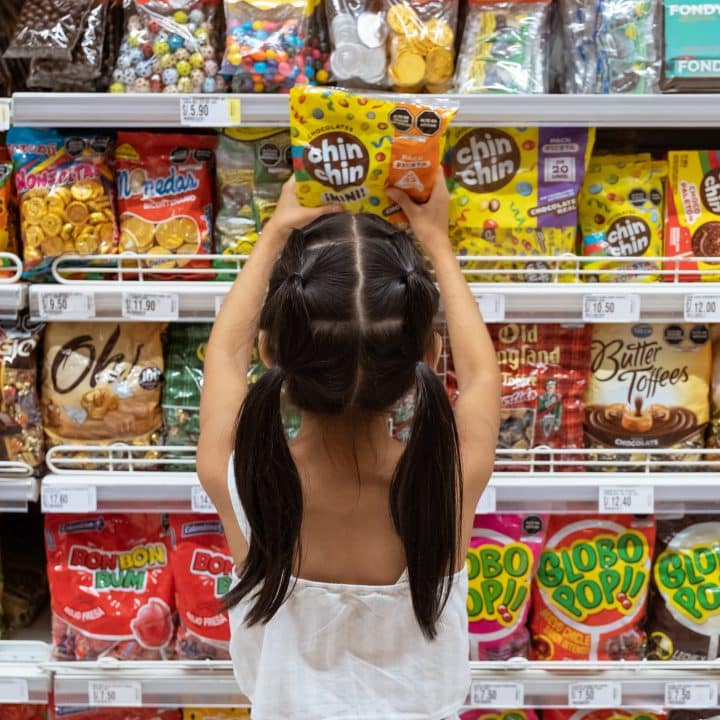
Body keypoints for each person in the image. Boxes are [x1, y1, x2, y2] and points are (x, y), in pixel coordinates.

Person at [198, 170, 501, 720]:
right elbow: (482, 379)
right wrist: (437, 239)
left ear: (271, 351)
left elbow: (221, 357)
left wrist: (273, 234)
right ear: (430, 357)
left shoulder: (238, 479)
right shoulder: (449, 483)